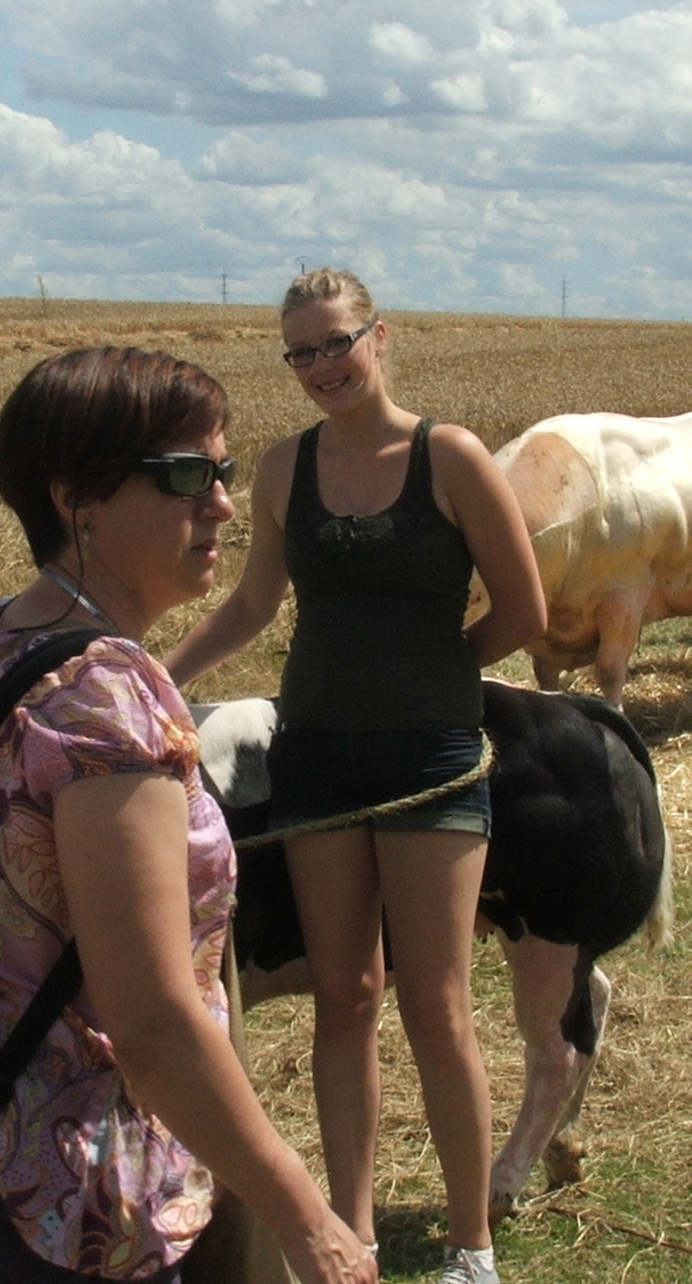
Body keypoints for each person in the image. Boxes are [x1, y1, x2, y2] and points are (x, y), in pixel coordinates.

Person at [0, 347, 374, 1284]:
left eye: (225, 471)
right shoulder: (108, 702)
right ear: (77, 499)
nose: (223, 504)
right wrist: (310, 1223)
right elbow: (152, 1027)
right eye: (186, 476)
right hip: (85, 1207)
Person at [165, 269, 548, 1284]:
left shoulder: (450, 457)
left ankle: (470, 1248)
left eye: (335, 342)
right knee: (343, 998)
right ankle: (353, 1239)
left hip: (431, 764)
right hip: (317, 760)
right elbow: (253, 604)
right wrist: (158, 678)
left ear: (380, 337)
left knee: (438, 1007)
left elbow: (523, 610)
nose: (320, 366)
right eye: (300, 352)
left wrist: (434, 678)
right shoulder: (284, 467)